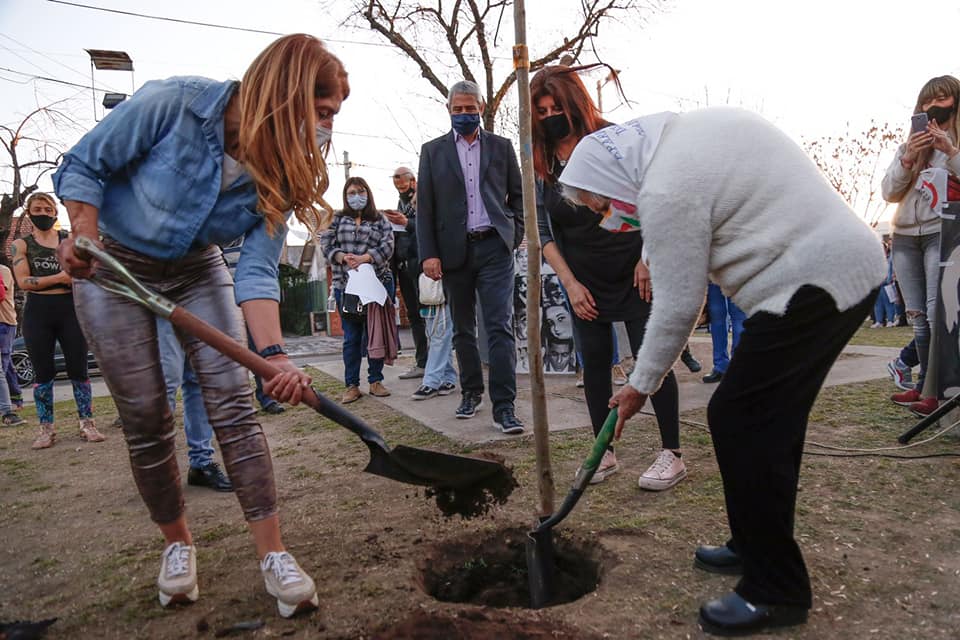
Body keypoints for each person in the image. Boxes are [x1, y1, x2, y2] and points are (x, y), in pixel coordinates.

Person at [559, 107, 885, 636]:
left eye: (604, 203)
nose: (609, 217)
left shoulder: (666, 188)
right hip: (826, 269)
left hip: (818, 281)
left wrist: (641, 384)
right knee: (766, 422)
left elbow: (678, 303)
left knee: (738, 417)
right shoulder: (677, 142)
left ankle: (775, 589)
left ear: (613, 177)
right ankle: (753, 542)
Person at [52, 34, 345, 617]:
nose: (326, 130)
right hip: (113, 266)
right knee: (145, 414)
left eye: (333, 116)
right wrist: (81, 227)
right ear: (286, 94)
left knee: (234, 405)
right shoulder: (176, 103)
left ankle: (274, 553)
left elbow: (258, 269)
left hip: (195, 269)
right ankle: (178, 545)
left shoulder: (283, 167)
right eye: (322, 112)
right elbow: (86, 163)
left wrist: (275, 354)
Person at [531, 65, 684, 489]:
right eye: (541, 111)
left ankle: (672, 453)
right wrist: (570, 282)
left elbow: (657, 196)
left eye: (556, 107)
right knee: (595, 364)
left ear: (575, 103)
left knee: (653, 359)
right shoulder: (542, 160)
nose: (549, 117)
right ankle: (605, 453)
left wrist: (647, 257)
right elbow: (544, 232)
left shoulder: (616, 141)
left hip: (636, 271)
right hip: (584, 279)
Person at [416, 80, 525, 434]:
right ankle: (471, 393)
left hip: (495, 247)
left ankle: (504, 406)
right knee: (463, 328)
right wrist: (429, 254)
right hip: (453, 253)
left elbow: (518, 196)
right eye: (458, 109)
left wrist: (514, 234)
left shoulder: (501, 147)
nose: (464, 114)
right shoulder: (432, 152)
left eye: (470, 108)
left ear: (481, 107)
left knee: (499, 327)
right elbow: (426, 209)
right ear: (449, 110)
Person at [883, 75, 960, 418]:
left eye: (942, 99)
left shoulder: (952, 144)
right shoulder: (908, 146)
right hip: (904, 235)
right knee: (917, 317)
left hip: (939, 233)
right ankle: (922, 384)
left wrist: (950, 152)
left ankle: (935, 390)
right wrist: (907, 162)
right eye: (927, 101)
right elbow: (889, 192)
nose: (933, 107)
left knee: (934, 311)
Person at [12, 193, 102, 448]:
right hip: (38, 312)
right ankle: (46, 429)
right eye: (37, 208)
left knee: (79, 369)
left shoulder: (69, 241)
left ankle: (87, 423)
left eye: (47, 208)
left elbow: (87, 271)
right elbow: (23, 282)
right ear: (29, 213)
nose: (42, 213)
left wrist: (63, 278)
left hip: (70, 309)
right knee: (43, 373)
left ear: (55, 212)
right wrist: (61, 278)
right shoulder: (22, 245)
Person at [319, 177, 395, 404]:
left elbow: (388, 245)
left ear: (368, 193)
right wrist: (343, 257)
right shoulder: (336, 219)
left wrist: (366, 258)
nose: (356, 196)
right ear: (345, 195)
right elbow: (326, 245)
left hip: (376, 284)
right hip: (346, 286)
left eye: (360, 191)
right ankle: (351, 385)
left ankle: (376, 380)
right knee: (351, 338)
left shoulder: (380, 219)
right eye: (351, 192)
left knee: (375, 334)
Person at [157, 318, 234, 492]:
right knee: (165, 383)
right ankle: (159, 469)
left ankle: (201, 464)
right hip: (159, 304)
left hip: (195, 306)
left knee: (199, 381)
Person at [384, 167, 428, 380]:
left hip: (421, 266)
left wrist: (406, 223)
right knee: (413, 315)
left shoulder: (423, 199)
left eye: (403, 184)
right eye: (397, 185)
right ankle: (422, 362)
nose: (400, 188)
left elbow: (428, 227)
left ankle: (434, 363)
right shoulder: (401, 204)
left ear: (413, 181)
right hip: (404, 266)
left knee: (427, 314)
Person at [702, 283, 746, 383]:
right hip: (713, 273)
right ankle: (720, 366)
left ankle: (737, 365)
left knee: (738, 315)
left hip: (735, 272)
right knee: (716, 315)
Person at [0, 254, 24, 426]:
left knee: (3, 365)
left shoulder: (3, 271)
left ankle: (9, 411)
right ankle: (14, 401)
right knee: (4, 366)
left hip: (4, 323)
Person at [872, 242, 899, 328]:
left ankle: (890, 320)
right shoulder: (875, 259)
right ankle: (879, 321)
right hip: (877, 283)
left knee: (889, 303)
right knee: (877, 303)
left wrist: (890, 279)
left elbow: (891, 269)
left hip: (887, 283)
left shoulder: (890, 258)